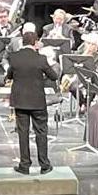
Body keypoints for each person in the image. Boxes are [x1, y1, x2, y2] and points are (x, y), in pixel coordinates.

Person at [6, 31, 59, 175]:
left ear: (22, 42)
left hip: (20, 101)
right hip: (37, 101)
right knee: (41, 132)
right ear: (35, 43)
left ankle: (24, 165)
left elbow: (9, 75)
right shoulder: (41, 58)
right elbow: (54, 77)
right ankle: (45, 165)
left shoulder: (14, 57)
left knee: (23, 133)